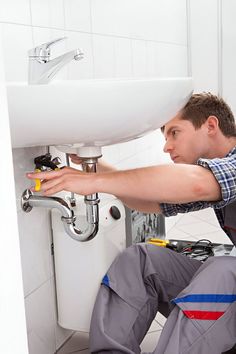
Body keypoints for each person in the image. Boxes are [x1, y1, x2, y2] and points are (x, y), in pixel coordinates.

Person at [27, 92, 236, 354]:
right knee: (141, 259)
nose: (166, 146)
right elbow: (149, 202)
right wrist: (94, 167)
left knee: (224, 270)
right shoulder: (215, 176)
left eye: (174, 133)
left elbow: (196, 184)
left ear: (211, 126)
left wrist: (92, 183)